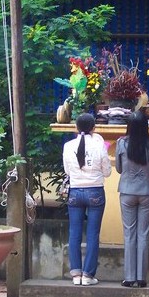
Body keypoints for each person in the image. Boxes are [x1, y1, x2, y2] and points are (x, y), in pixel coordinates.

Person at [62, 113, 112, 286]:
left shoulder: (68, 146)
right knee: (93, 234)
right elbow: (107, 172)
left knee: (74, 233)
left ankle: (76, 275)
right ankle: (88, 275)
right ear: (94, 128)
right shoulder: (99, 146)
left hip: (75, 192)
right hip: (95, 192)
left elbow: (67, 171)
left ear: (76, 127)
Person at [115, 111, 149, 288]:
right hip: (147, 191)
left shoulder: (121, 143)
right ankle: (141, 278)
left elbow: (119, 168)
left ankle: (129, 277)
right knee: (143, 234)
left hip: (127, 191)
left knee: (129, 234)